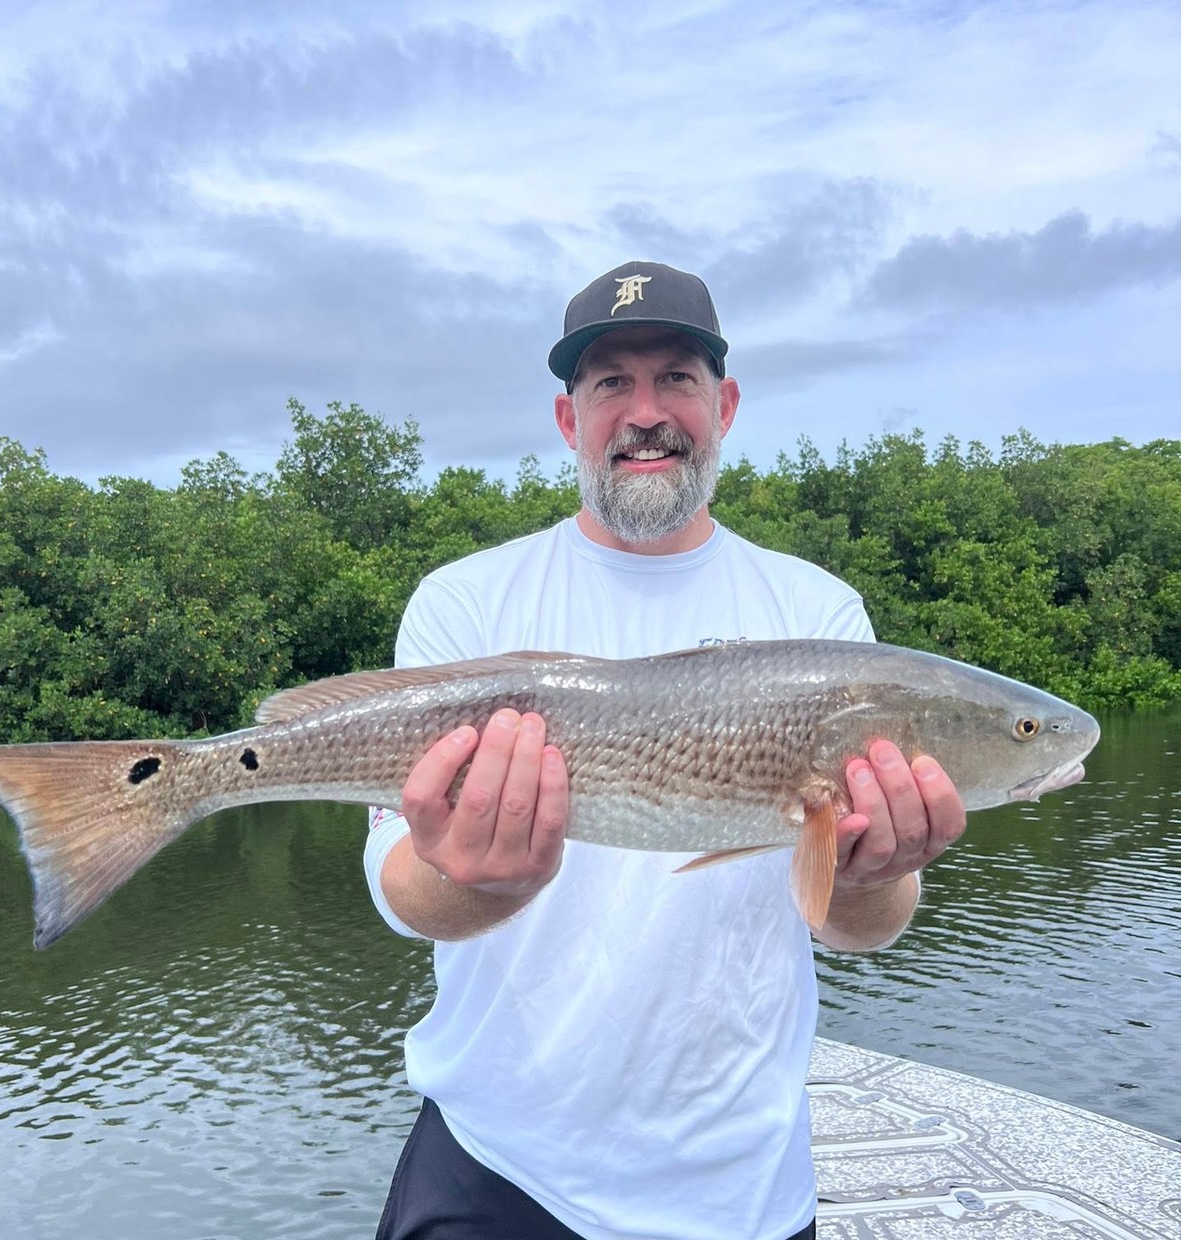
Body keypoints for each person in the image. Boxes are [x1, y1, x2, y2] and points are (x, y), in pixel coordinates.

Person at [365, 261, 967, 1240]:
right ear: (569, 420)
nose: (646, 412)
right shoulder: (465, 604)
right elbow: (400, 890)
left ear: (723, 404)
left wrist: (870, 873)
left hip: (741, 1187)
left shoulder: (818, 617)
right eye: (610, 383)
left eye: (676, 378)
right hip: (496, 1166)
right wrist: (482, 881)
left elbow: (854, 924)